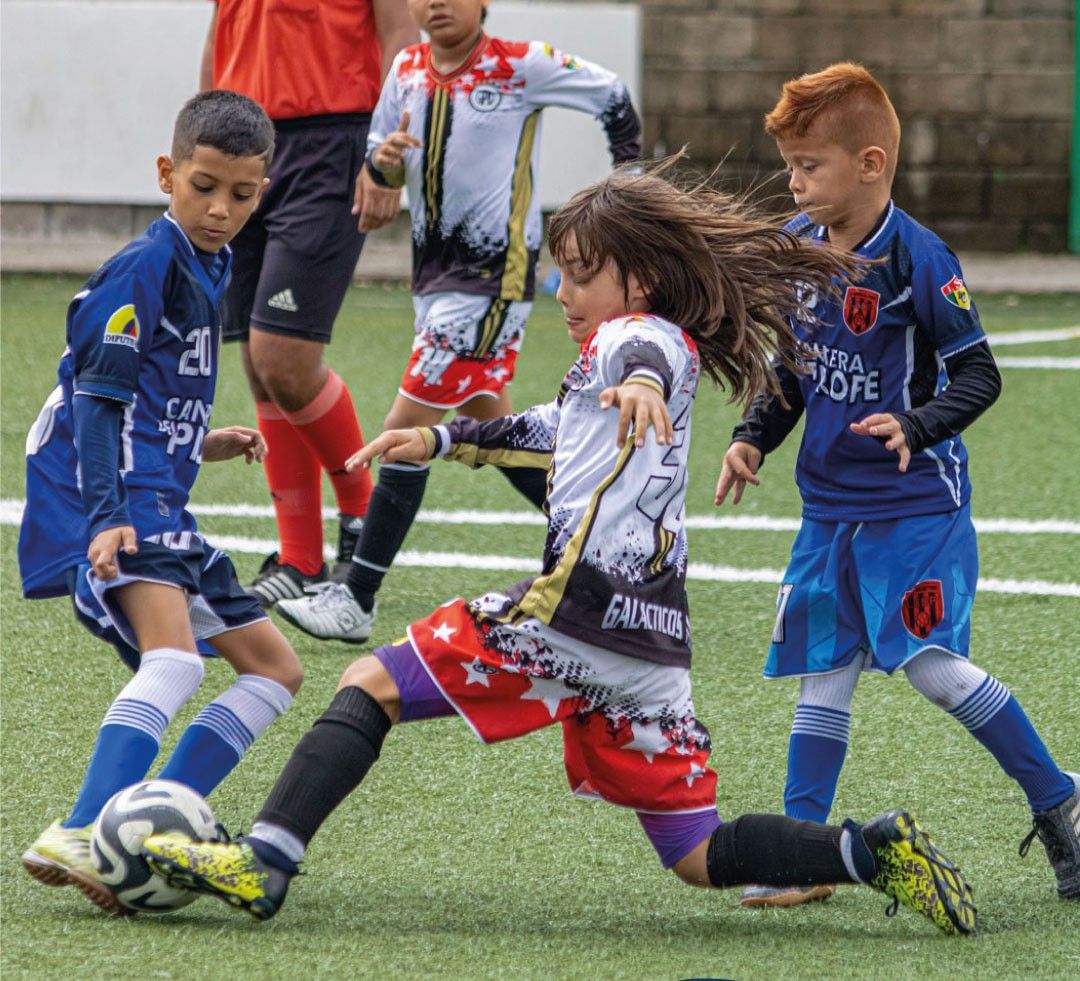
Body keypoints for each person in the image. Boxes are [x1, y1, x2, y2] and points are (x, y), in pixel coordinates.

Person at [142, 165, 976, 937]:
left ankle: (265, 862)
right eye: (560, 272)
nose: (561, 290)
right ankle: (869, 849)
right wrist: (438, 440)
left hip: (571, 612)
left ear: (637, 281)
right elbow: (547, 428)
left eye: (579, 274)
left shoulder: (639, 341)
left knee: (369, 681)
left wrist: (640, 382)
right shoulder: (637, 352)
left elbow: (639, 362)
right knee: (695, 851)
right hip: (649, 644)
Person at [714, 63, 1079, 909]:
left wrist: (915, 426)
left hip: (917, 508)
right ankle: (808, 854)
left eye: (811, 166)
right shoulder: (798, 245)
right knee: (822, 669)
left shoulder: (920, 258)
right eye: (792, 166)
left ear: (870, 164)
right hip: (829, 510)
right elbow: (791, 371)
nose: (795, 182)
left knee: (930, 667)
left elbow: (979, 376)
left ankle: (1059, 794)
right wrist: (749, 438)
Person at [272, 0, 643, 644]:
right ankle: (615, 559)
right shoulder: (407, 68)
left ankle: (356, 598)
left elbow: (613, 96)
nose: (435, 2)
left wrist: (629, 189)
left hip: (489, 279)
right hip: (435, 279)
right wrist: (382, 163)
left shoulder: (519, 65)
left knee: (404, 427)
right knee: (489, 427)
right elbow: (379, 165)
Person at [17, 91, 305, 916]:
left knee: (275, 669)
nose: (221, 209)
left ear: (263, 189)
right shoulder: (148, 262)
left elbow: (142, 389)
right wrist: (108, 512)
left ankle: (143, 831)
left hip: (153, 492)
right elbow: (96, 400)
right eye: (204, 186)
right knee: (174, 660)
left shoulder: (206, 262)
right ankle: (84, 828)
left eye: (243, 195)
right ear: (166, 173)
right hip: (115, 502)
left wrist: (196, 440)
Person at [201, 0, 419, 607]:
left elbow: (402, 35)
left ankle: (360, 512)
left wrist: (384, 159)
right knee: (257, 359)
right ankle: (300, 560)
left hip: (332, 144)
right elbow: (221, 36)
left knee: (284, 357)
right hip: (242, 147)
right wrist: (201, 143)